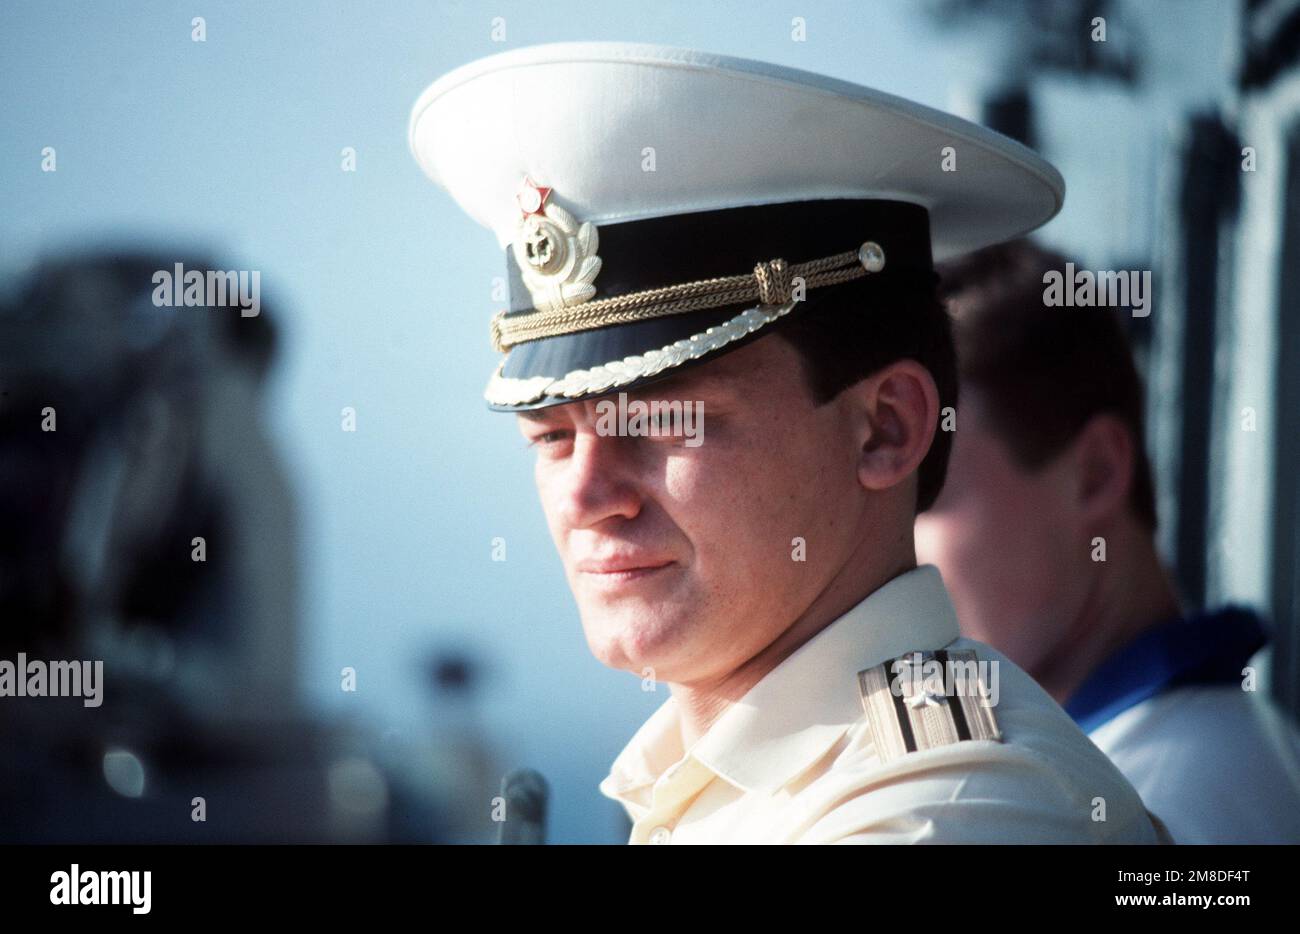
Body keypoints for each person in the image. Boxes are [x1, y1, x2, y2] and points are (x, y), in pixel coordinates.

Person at [409, 41, 1164, 843]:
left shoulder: (945, 811)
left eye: (663, 420)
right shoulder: (784, 778)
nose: (587, 497)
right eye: (553, 435)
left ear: (887, 427)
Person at [917, 237, 1300, 844]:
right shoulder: (1173, 765)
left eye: (927, 497)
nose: (888, 558)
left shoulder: (1177, 803)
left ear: (1095, 472)